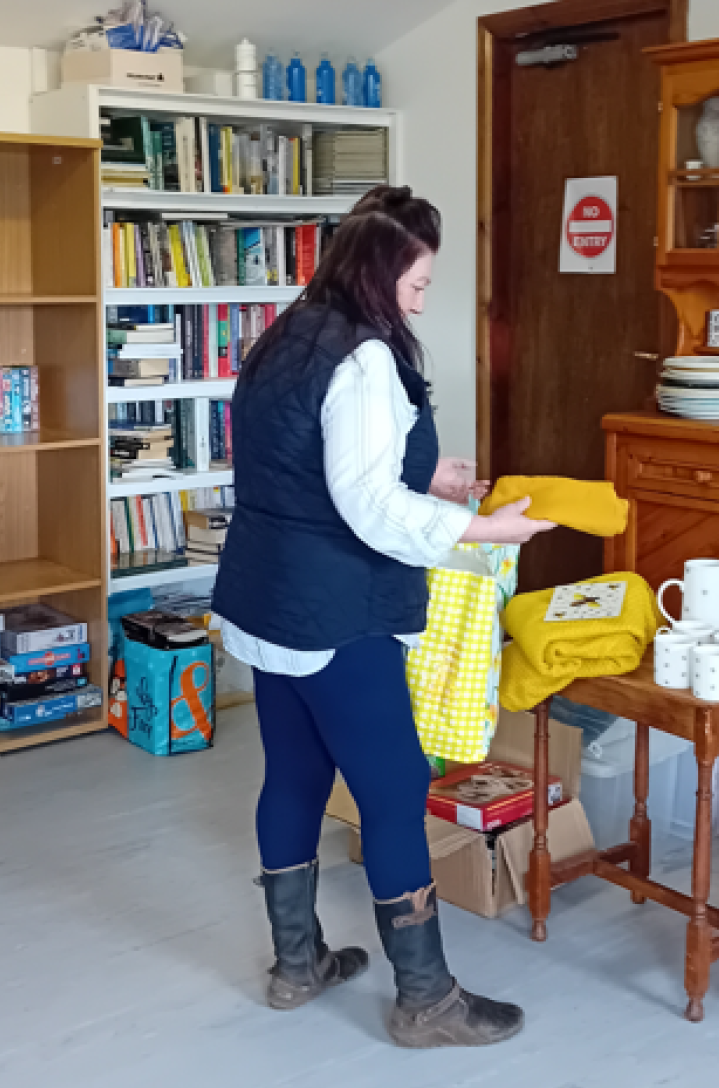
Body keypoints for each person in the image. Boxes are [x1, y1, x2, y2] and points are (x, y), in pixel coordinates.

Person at [212, 186, 556, 1048]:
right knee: (396, 787)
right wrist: (482, 526)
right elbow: (363, 502)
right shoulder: (364, 358)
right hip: (338, 610)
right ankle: (427, 998)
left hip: (268, 596)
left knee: (292, 774)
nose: (422, 298)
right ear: (380, 271)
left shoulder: (284, 337)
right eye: (418, 282)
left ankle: (297, 967)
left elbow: (306, 463)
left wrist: (431, 481)